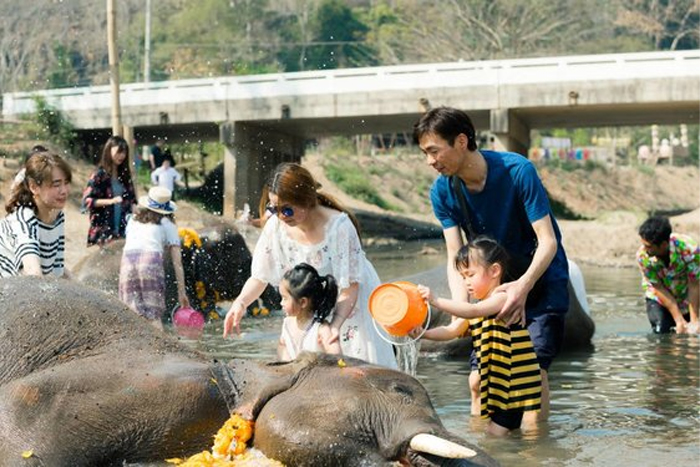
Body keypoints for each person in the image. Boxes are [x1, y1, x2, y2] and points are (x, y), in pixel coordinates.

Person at [413, 107, 569, 422]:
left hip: (539, 282)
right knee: (477, 380)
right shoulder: (442, 191)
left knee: (532, 377)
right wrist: (460, 311)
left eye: (433, 150)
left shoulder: (517, 170)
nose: (430, 161)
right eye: (425, 153)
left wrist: (522, 288)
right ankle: (483, 450)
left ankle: (533, 454)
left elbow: (548, 241)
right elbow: (455, 255)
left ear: (460, 141)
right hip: (493, 288)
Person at [223, 162, 397, 369]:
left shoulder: (339, 227)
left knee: (354, 371)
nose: (280, 216)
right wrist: (241, 303)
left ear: (307, 200)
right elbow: (260, 276)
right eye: (273, 208)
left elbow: (350, 286)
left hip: (350, 304)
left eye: (287, 209)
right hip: (310, 307)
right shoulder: (276, 227)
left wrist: (334, 326)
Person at [416, 237, 541, 435]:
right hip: (498, 383)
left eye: (470, 275)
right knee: (499, 432)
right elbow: (453, 330)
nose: (466, 282)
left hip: (512, 385)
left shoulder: (502, 299)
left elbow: (471, 312)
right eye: (463, 277)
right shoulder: (478, 305)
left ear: (494, 271)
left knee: (495, 435)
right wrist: (423, 334)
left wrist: (435, 300)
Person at [118, 186, 189, 329]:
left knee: (130, 312)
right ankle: (159, 350)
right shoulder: (167, 224)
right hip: (150, 261)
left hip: (127, 261)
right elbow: (177, 263)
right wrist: (182, 292)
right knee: (153, 314)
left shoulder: (133, 220)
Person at [0, 152, 72, 278]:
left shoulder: (57, 216)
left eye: (66, 183)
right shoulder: (24, 220)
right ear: (34, 187)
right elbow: (32, 271)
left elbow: (57, 270)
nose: (64, 191)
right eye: (56, 185)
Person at [636, 215, 699, 334]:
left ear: (664, 245)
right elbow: (658, 287)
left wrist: (694, 321)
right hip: (658, 297)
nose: (644, 249)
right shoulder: (642, 256)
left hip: (685, 297)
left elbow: (694, 284)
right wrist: (678, 319)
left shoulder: (689, 249)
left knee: (691, 332)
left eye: (648, 246)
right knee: (662, 330)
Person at [277, 262, 342, 361]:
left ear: (303, 302)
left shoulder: (320, 329)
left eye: (285, 298)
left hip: (317, 374)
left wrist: (343, 368)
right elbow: (282, 346)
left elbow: (336, 355)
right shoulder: (287, 323)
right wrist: (286, 362)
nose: (281, 303)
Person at [83, 135, 136, 246]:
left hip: (124, 230)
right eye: (118, 152)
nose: (121, 155)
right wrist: (110, 201)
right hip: (103, 230)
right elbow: (87, 201)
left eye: (124, 152)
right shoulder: (99, 175)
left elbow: (132, 200)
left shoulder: (125, 176)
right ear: (108, 151)